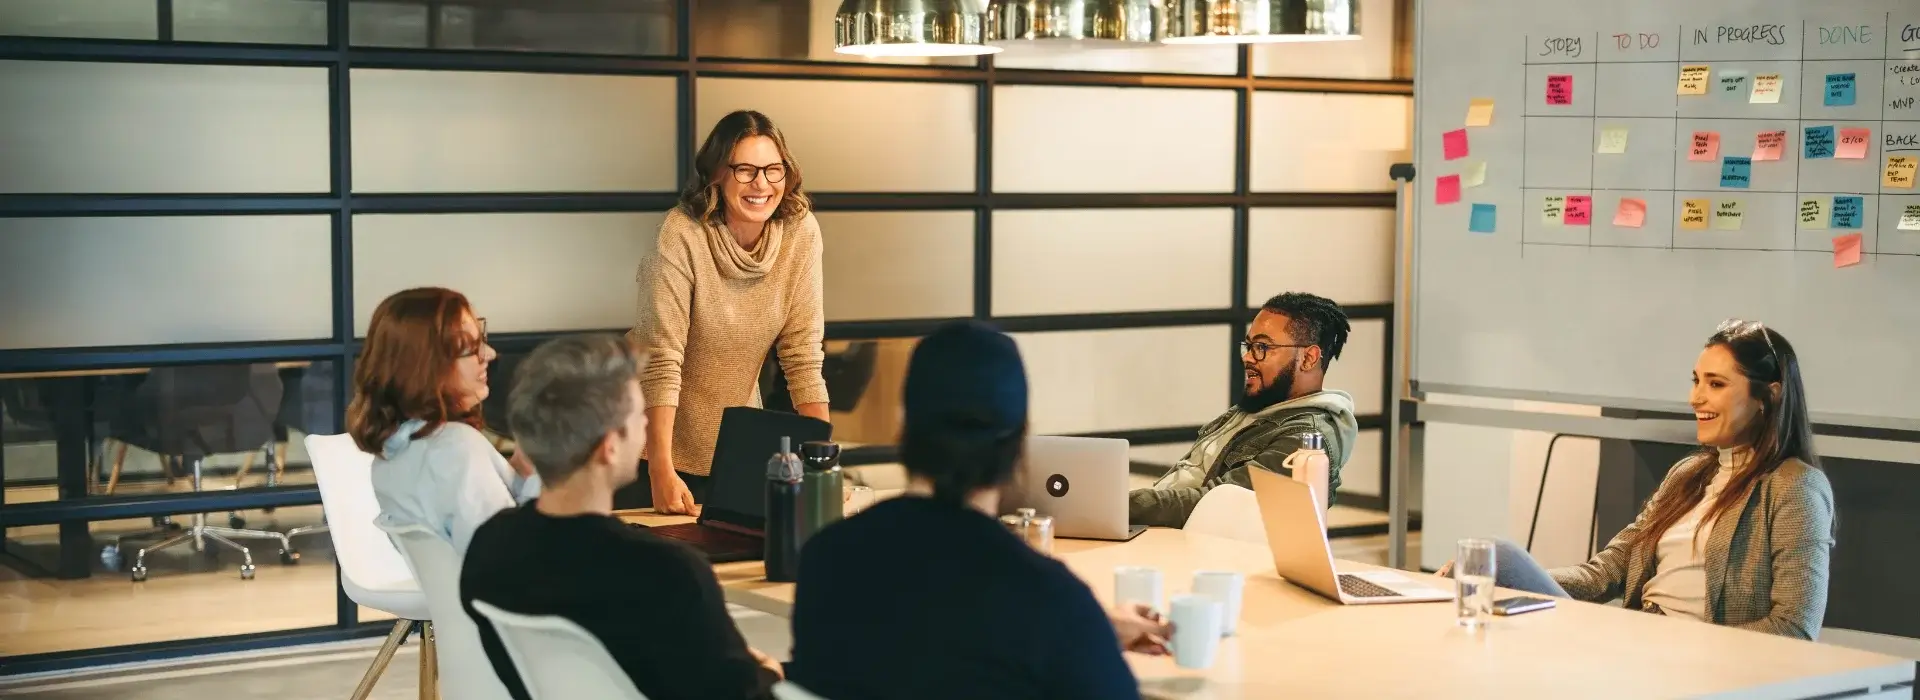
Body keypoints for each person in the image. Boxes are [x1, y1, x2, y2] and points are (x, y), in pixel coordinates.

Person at [787, 321, 1171, 700]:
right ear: (1021, 439)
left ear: (904, 425)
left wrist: (1095, 630)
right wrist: (1088, 634)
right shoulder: (1048, 599)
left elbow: (924, 635)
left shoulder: (829, 557)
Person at [1444, 320, 1834, 640]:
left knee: (1500, 566)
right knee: (1497, 559)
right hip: (1633, 636)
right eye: (1696, 381)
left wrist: (1683, 645)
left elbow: (1794, 628)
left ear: (1768, 396)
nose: (1696, 398)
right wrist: (1520, 582)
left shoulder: (1794, 487)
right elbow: (1607, 573)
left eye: (1715, 384)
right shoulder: (1689, 475)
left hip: (1683, 653)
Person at [462, 334, 782, 700]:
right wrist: (767, 674)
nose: (647, 426)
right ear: (609, 446)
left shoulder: (490, 546)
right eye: (637, 414)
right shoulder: (666, 572)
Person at [632, 109, 829, 515]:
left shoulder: (800, 231)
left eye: (773, 170)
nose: (762, 184)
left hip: (734, 448)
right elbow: (661, 359)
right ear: (717, 174)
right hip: (648, 449)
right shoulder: (681, 233)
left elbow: (803, 355)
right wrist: (661, 471)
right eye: (745, 170)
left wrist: (822, 466)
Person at [1129, 292, 1359, 528]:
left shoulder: (1307, 438)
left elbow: (1216, 504)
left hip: (1196, 546)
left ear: (1308, 358)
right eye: (1249, 346)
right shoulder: (1259, 409)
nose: (1248, 357)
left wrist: (1125, 505)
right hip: (1161, 531)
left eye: (1262, 347)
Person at [350, 287, 538, 554]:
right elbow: (509, 559)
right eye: (470, 348)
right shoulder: (455, 447)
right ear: (426, 366)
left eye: (481, 340)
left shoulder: (394, 454)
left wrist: (522, 471)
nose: (490, 354)